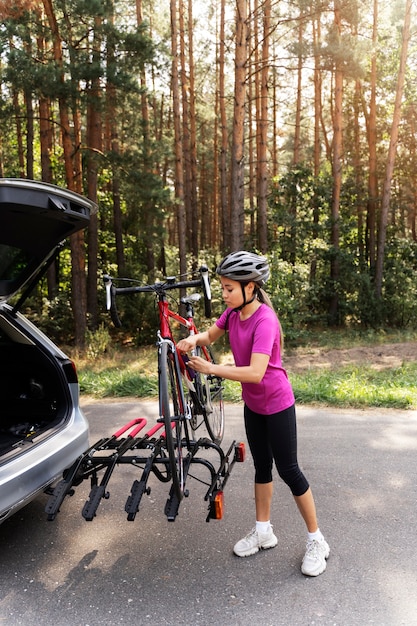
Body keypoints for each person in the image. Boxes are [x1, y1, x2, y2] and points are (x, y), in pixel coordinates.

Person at [177, 251, 329, 576]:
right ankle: (263, 532)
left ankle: (317, 541)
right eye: (223, 287)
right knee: (262, 467)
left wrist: (212, 368)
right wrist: (193, 340)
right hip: (253, 406)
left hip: (277, 404)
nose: (224, 293)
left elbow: (256, 372)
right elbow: (209, 336)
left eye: (229, 288)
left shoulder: (265, 320)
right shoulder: (233, 313)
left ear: (250, 287)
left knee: (289, 470)